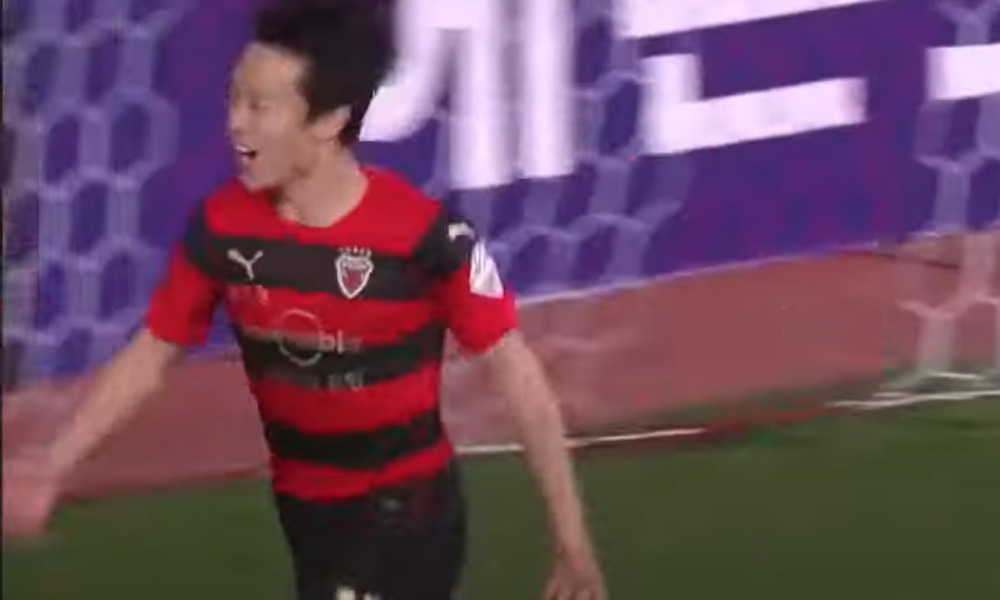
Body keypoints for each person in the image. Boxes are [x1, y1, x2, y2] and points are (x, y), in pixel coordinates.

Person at [2, 1, 607, 599]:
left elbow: (518, 376)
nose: (236, 124)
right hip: (306, 513)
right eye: (234, 99)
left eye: (259, 107)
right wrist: (52, 465)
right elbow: (153, 353)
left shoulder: (427, 238)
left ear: (327, 120)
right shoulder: (223, 229)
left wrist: (572, 541)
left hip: (405, 513)